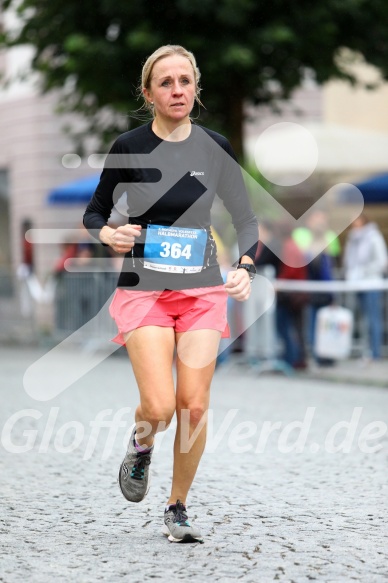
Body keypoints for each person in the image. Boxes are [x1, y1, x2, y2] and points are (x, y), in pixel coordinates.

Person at [83, 45, 258, 543]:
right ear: (149, 93)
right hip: (145, 290)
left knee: (194, 405)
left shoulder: (215, 146)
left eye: (185, 80)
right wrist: (107, 234)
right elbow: (96, 211)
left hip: (202, 288)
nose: (177, 90)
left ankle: (177, 506)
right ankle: (142, 447)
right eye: (166, 82)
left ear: (195, 88)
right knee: (159, 408)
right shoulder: (129, 145)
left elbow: (246, 218)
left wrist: (245, 265)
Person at [255, 220, 308, 369]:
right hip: (294, 293)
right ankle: (295, 359)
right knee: (294, 328)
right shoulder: (293, 245)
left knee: (285, 326)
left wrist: (279, 283)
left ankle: (291, 359)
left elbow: (290, 270)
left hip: (290, 294)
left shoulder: (289, 247)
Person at [343, 213, 388, 360]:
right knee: (361, 319)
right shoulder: (352, 239)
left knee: (374, 318)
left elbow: (381, 262)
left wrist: (363, 271)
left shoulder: (373, 237)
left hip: (371, 283)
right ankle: (365, 350)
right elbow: (348, 260)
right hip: (356, 283)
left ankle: (375, 352)